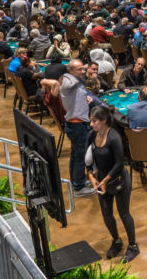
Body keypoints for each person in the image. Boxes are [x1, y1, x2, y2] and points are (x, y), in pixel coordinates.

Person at [86, 105, 139, 263]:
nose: (91, 124)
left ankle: (133, 246)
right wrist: (90, 175)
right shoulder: (91, 135)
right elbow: (87, 157)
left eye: (94, 121)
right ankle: (116, 240)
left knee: (124, 213)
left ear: (103, 121)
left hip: (119, 179)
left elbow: (118, 164)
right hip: (102, 180)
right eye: (91, 121)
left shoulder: (114, 137)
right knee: (107, 214)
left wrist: (104, 180)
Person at [50, 59, 95, 196]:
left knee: (75, 155)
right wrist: (82, 74)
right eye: (79, 69)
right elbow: (62, 85)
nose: (83, 72)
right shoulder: (67, 80)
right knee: (80, 156)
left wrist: (85, 97)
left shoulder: (73, 81)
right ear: (70, 71)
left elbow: (77, 91)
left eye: (83, 69)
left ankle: (76, 179)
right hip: (76, 125)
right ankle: (79, 188)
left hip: (78, 123)